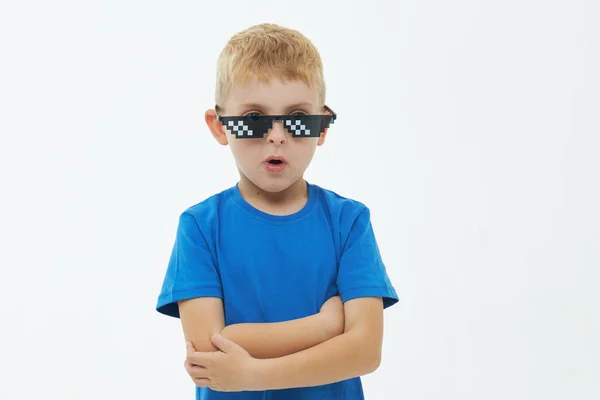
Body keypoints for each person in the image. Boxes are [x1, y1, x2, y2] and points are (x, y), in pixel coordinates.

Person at [156, 23, 399, 399]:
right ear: (220, 127)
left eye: (298, 118)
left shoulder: (348, 222)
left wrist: (250, 372)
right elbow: (209, 351)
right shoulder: (200, 227)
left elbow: (365, 351)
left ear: (323, 126)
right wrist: (326, 325)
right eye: (254, 119)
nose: (276, 135)